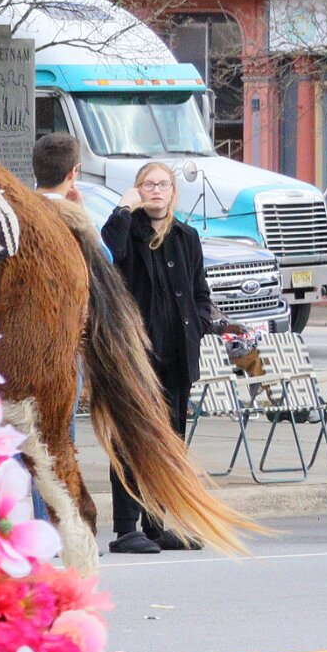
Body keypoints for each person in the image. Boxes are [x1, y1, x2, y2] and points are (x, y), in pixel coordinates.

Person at [100, 162, 219, 554]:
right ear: (137, 190)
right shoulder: (125, 231)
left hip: (176, 358)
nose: (155, 190)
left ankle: (156, 525)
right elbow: (107, 252)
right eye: (147, 184)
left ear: (173, 191)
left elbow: (200, 293)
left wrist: (198, 325)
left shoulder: (186, 237)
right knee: (130, 440)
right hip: (135, 360)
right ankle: (126, 528)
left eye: (163, 184)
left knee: (169, 443)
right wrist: (123, 207)